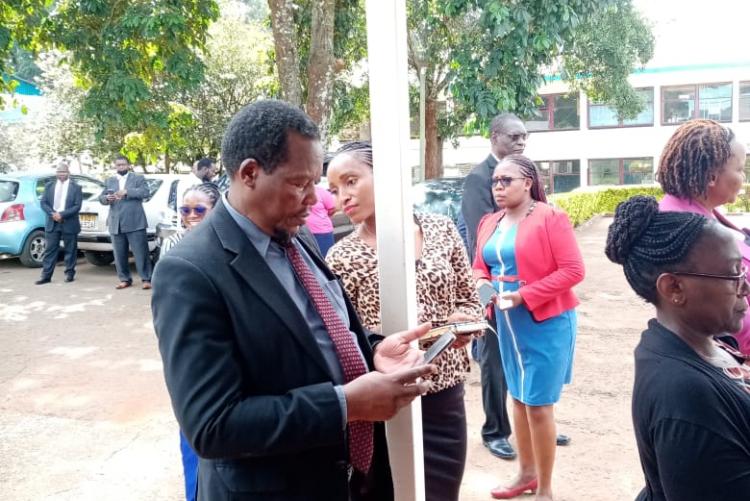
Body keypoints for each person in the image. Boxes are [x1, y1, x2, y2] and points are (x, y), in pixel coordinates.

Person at [151, 99, 435, 501]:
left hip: (344, 479)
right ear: (250, 173)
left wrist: (372, 350)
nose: (319, 200)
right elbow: (212, 426)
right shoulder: (190, 271)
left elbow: (317, 331)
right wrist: (345, 405)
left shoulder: (293, 235)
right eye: (301, 183)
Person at [325, 141, 483, 501]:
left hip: (443, 401)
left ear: (388, 175)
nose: (342, 199)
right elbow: (341, 337)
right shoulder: (341, 257)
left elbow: (469, 299)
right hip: (383, 404)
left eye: (351, 181)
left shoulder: (442, 230)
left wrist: (463, 321)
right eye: (334, 190)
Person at [605, 195, 750, 500]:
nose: (745, 285)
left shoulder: (692, 342)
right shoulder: (687, 397)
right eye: (733, 273)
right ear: (674, 288)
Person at [473, 154, 584, 500]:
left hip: (545, 321)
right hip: (506, 323)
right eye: (495, 181)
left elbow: (573, 271)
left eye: (507, 180)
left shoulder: (551, 218)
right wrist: (482, 285)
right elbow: (480, 266)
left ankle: (546, 490)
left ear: (529, 182)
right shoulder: (489, 222)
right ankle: (525, 474)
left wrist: (522, 295)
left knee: (537, 405)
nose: (499, 187)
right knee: (517, 401)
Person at [461, 112, 528, 460]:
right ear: (494, 137)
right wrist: (486, 291)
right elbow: (479, 234)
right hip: (490, 281)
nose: (521, 142)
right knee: (495, 360)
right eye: (514, 137)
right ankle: (495, 431)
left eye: (524, 138)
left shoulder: (525, 174)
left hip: (525, 284)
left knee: (526, 355)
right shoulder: (478, 179)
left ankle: (534, 425)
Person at [656, 119, 750, 354]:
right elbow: (719, 307)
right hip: (729, 352)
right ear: (711, 176)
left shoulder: (702, 211)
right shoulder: (687, 229)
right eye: (740, 169)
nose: (743, 179)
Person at [157, 181, 220, 501]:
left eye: (199, 210)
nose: (190, 216)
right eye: (185, 210)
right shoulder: (174, 249)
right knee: (194, 446)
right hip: (190, 366)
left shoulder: (225, 247)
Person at [99, 155, 153, 290]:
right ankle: (124, 279)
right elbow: (101, 198)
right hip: (115, 222)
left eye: (123, 164)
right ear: (115, 166)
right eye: (118, 165)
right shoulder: (110, 180)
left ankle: (146, 279)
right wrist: (107, 198)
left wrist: (127, 192)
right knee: (119, 254)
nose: (121, 167)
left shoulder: (138, 178)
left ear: (128, 165)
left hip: (135, 222)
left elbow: (145, 192)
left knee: (141, 253)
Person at [35, 162, 82, 285]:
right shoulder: (49, 185)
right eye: (59, 172)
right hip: (52, 222)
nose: (61, 174)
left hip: (69, 222)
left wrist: (62, 214)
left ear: (68, 173)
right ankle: (46, 276)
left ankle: (69, 274)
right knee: (50, 250)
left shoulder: (76, 187)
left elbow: (77, 206)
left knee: (70, 250)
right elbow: (43, 203)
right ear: (56, 173)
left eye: (63, 172)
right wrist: (53, 214)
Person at [159, 183, 221, 258]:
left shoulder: (226, 243)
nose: (192, 215)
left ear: (215, 210)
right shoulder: (173, 243)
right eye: (185, 210)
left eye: (199, 209)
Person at [306, 179, 337, 257]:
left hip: (322, 233)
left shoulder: (322, 192)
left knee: (326, 260)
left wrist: (323, 217)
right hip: (305, 234)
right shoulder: (298, 193)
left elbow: (332, 209)